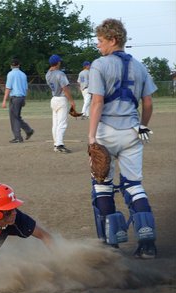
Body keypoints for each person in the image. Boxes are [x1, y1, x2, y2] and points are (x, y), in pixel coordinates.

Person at [88, 18, 158, 259]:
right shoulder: (140, 66)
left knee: (102, 187)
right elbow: (148, 103)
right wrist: (142, 126)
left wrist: (91, 137)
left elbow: (97, 102)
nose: (98, 46)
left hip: (106, 131)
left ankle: (111, 244)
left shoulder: (99, 65)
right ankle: (147, 244)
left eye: (100, 41)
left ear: (112, 40)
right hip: (131, 131)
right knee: (134, 186)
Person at [45, 55, 77, 153]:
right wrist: (71, 101)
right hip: (61, 99)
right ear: (58, 63)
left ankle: (56, 144)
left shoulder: (48, 74)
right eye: (60, 62)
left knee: (55, 124)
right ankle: (59, 144)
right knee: (62, 123)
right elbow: (65, 88)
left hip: (54, 99)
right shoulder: (60, 74)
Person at [2, 58, 34, 143]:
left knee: (14, 118)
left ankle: (18, 137)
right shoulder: (23, 74)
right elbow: (26, 88)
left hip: (15, 98)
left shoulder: (10, 74)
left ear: (11, 65)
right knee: (17, 116)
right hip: (21, 97)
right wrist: (24, 99)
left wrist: (4, 100)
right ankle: (28, 130)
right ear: (19, 65)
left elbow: (8, 88)